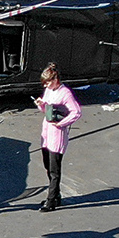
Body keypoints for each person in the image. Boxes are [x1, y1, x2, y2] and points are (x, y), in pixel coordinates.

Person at [35, 63, 81, 212]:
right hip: (47, 133)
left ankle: (51, 200)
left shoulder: (65, 93)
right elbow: (46, 110)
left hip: (56, 135)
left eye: (48, 82)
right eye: (45, 83)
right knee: (48, 167)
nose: (47, 86)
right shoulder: (49, 90)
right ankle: (55, 194)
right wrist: (41, 104)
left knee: (55, 170)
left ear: (55, 79)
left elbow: (76, 112)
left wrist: (61, 123)